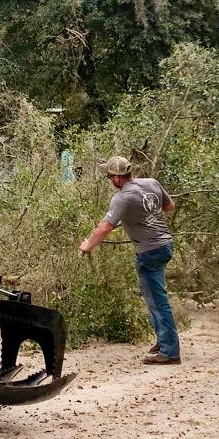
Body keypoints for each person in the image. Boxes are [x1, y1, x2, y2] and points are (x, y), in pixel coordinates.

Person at [79, 154, 180, 365]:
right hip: (165, 245)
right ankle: (164, 340)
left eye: (109, 176)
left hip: (149, 251)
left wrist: (87, 245)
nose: (109, 180)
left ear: (117, 177)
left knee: (158, 300)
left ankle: (170, 352)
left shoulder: (122, 198)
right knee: (151, 295)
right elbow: (169, 207)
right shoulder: (151, 183)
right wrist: (143, 215)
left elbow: (104, 228)